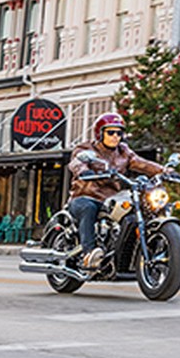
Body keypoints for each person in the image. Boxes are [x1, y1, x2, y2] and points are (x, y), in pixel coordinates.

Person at [65, 112, 164, 269]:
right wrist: (84, 171)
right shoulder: (85, 148)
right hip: (85, 196)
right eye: (110, 132)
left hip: (110, 199)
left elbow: (141, 163)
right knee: (88, 207)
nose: (115, 136)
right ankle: (88, 253)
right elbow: (77, 161)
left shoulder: (123, 151)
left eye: (119, 133)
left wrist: (164, 171)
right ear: (100, 133)